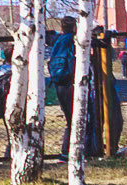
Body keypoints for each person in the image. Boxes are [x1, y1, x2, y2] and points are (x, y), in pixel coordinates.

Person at [48, 15, 78, 159]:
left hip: (59, 83)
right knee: (76, 118)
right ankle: (71, 152)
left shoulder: (57, 39)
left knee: (69, 119)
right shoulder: (72, 39)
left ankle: (66, 152)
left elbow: (46, 35)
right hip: (69, 82)